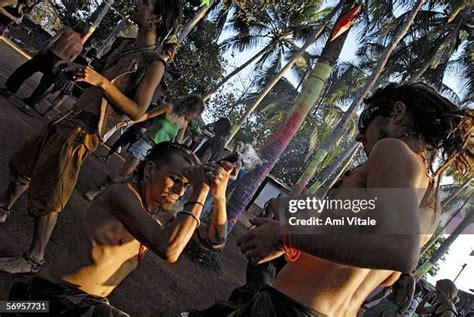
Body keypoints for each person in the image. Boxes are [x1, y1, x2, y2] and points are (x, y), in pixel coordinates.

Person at [232, 83, 472, 316]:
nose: (360, 137)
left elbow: (400, 253)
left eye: (366, 123)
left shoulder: (392, 150)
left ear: (397, 113)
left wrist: (284, 235)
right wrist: (294, 234)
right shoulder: (430, 201)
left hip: (289, 306)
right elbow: (383, 272)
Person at [0, 0, 183, 274]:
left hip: (85, 131)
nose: (137, 3)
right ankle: (3, 208)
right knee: (24, 165)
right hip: (70, 117)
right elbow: (99, 78)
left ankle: (33, 257)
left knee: (52, 190)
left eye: (145, 3)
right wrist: (79, 73)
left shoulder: (154, 63)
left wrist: (101, 82)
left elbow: (137, 110)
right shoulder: (125, 44)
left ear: (156, 17)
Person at [8, 141, 232, 316]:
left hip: (88, 302)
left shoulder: (165, 214)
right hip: (55, 295)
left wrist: (220, 196)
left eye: (186, 185)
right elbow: (168, 250)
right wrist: (200, 191)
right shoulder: (121, 195)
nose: (179, 191)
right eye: (174, 179)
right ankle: (20, 305)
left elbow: (215, 242)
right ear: (150, 170)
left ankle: (16, 305)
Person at [83, 95, 204, 201]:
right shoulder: (168, 108)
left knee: (136, 179)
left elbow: (178, 144)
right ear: (191, 107)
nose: (194, 116)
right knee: (125, 172)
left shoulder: (184, 123)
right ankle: (97, 190)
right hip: (145, 143)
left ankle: (109, 196)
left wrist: (189, 159)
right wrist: (129, 122)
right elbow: (147, 115)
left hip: (156, 153)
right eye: (195, 113)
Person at [0, 21, 89, 109]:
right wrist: (60, 66)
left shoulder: (67, 30)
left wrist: (42, 51)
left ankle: (10, 90)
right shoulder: (80, 46)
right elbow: (69, 61)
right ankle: (28, 105)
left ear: (77, 25)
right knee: (44, 85)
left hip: (49, 55)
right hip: (59, 63)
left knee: (25, 70)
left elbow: (51, 41)